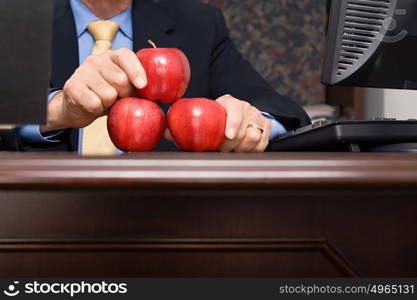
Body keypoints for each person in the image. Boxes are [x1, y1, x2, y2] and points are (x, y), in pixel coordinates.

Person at [18, 0, 310, 153]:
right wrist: (57, 111)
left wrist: (254, 122)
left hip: (170, 218)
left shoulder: (199, 23)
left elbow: (280, 108)